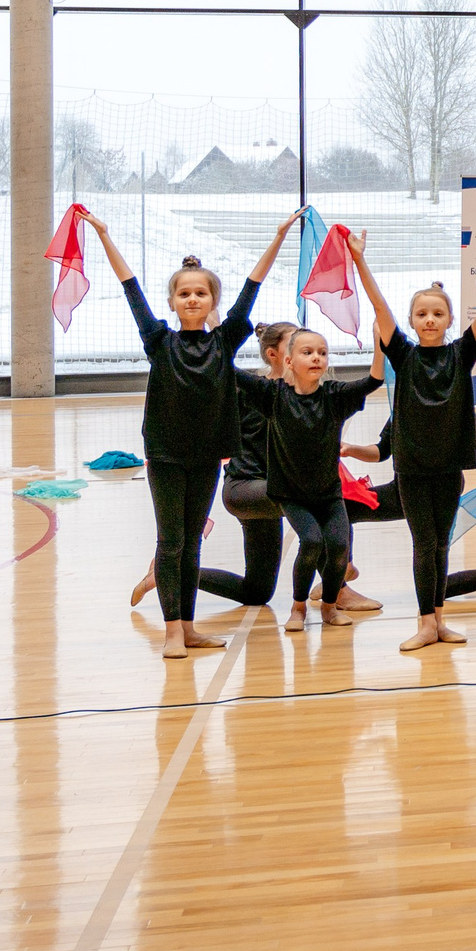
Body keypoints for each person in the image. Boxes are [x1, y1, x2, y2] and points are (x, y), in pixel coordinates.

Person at [81, 207, 298, 659]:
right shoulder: (159, 341)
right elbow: (130, 289)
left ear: (211, 301)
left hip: (207, 456)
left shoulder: (224, 341)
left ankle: (189, 627)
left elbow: (250, 290)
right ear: (174, 302)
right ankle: (172, 631)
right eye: (185, 294)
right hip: (165, 455)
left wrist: (278, 236)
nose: (193, 299)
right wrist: (104, 234)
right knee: (172, 541)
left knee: (193, 541)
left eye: (201, 293)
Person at [361, 234, 476, 652]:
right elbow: (380, 307)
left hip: (450, 469)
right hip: (413, 471)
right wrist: (361, 262)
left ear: (449, 320)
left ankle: (438, 621)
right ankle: (424, 623)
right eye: (422, 314)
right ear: (413, 321)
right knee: (423, 544)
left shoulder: (461, 354)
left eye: (438, 313)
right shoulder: (402, 354)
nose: (430, 319)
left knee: (441, 545)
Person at [129, 320, 296, 612]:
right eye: (294, 344)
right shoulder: (251, 388)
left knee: (257, 592)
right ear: (273, 354)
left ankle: (165, 572)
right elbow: (214, 368)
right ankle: (340, 589)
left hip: (272, 490)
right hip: (245, 487)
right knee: (319, 498)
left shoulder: (308, 394)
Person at [236, 321, 384, 631]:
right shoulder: (273, 395)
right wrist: (218, 339)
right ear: (288, 361)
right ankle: (298, 607)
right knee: (312, 540)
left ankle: (329, 606)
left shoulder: (334, 395)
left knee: (339, 545)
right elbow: (230, 373)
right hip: (291, 495)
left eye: (322, 352)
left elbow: (373, 381)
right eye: (307, 352)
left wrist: (378, 343)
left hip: (327, 494)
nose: (316, 357)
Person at [343, 415, 476, 600]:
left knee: (433, 588)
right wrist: (351, 450)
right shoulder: (404, 400)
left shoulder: (456, 404)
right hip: (403, 491)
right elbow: (381, 450)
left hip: (442, 493)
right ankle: (344, 571)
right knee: (341, 508)